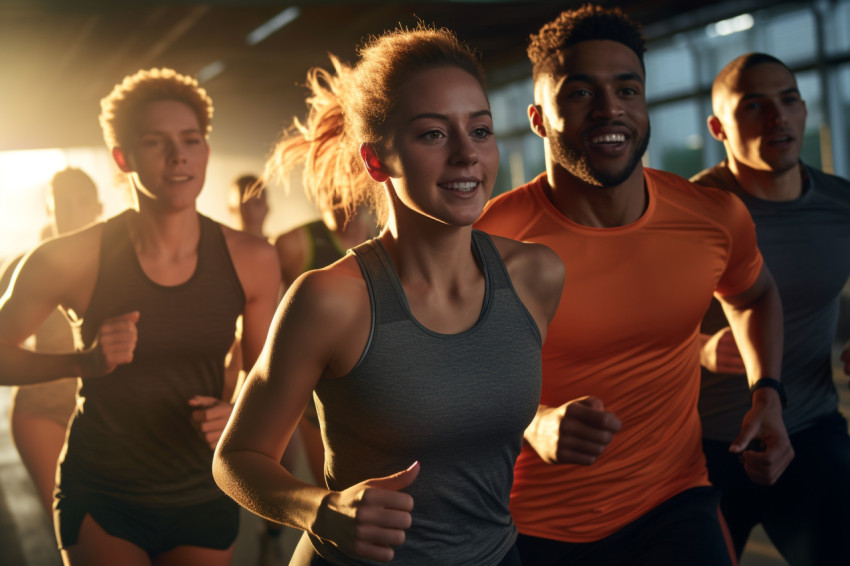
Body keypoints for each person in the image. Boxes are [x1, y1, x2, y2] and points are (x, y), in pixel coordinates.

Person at [213, 24, 564, 566]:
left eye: (480, 130)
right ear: (377, 160)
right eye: (433, 134)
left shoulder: (535, 276)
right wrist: (318, 508)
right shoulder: (331, 300)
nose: (467, 155)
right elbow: (236, 458)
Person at [474, 5, 792, 565]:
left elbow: (755, 294)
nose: (609, 110)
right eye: (579, 93)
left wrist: (767, 393)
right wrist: (536, 424)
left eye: (627, 90)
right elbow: (445, 375)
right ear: (538, 118)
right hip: (529, 522)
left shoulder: (713, 216)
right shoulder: (486, 239)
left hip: (675, 501)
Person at [0, 67, 281, 565]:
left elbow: (266, 381)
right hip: (102, 495)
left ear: (206, 152)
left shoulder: (251, 259)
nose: (178, 156)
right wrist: (80, 363)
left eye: (190, 140)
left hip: (203, 488)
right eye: (156, 143)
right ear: (123, 157)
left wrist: (236, 412)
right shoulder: (69, 258)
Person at [694, 52, 850, 565]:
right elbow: (628, 325)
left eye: (788, 100)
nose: (777, 117)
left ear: (804, 111)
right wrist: (700, 349)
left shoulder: (840, 203)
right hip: (703, 449)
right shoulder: (688, 211)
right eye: (754, 105)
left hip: (811, 430)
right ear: (719, 127)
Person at [0, 167, 102, 516]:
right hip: (40, 410)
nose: (72, 213)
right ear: (49, 210)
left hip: (106, 411)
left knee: (111, 523)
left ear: (99, 208)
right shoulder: (25, 267)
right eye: (63, 204)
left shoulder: (118, 266)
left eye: (81, 203)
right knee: (69, 520)